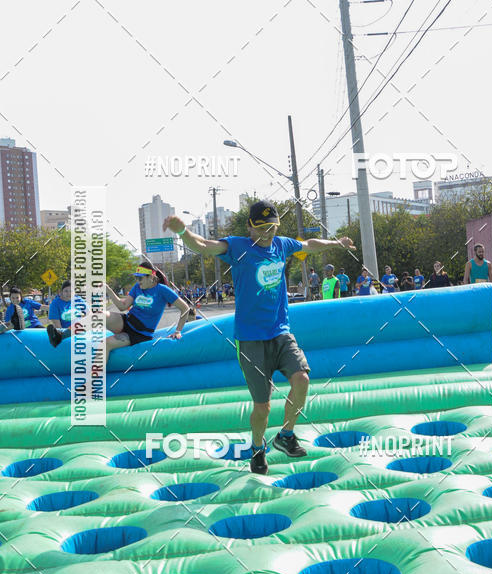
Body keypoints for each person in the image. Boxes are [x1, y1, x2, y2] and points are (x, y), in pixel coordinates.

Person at [163, 199, 355, 474]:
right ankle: (257, 448)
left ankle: (286, 435)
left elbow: (309, 244)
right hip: (250, 339)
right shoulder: (238, 247)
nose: (268, 233)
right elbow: (204, 245)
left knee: (302, 379)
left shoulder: (282, 245)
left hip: (280, 332)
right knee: (262, 406)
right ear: (250, 227)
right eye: (262, 228)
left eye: (272, 227)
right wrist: (183, 231)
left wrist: (337, 243)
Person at [47, 262, 189, 363]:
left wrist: (178, 331)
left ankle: (91, 384)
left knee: (104, 344)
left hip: (140, 334)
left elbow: (185, 309)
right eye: (136, 278)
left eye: (140, 278)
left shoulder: (162, 290)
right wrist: (108, 290)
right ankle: (60, 336)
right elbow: (123, 306)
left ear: (150, 277)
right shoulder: (137, 287)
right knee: (98, 316)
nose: (137, 281)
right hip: (127, 321)